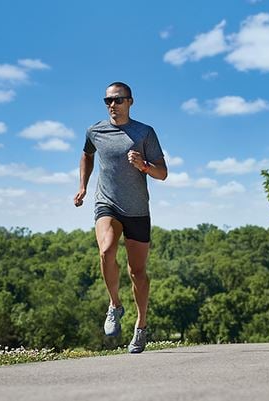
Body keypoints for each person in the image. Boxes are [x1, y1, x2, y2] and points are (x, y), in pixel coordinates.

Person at [73, 82, 168, 354]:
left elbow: (163, 173)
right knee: (106, 250)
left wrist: (144, 165)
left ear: (130, 102)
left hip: (137, 210)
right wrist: (83, 186)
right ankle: (115, 304)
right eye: (108, 101)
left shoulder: (144, 132)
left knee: (137, 272)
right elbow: (86, 154)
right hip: (107, 203)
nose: (112, 105)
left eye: (118, 100)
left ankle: (141, 325)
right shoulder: (95, 131)